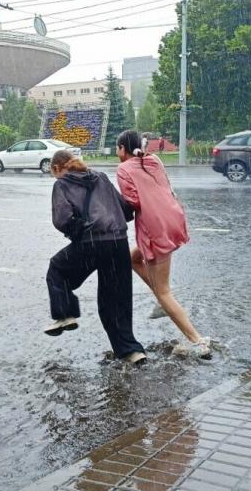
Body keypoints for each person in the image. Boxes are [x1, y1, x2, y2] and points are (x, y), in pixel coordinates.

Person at [45, 150, 147, 365]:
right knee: (116, 300)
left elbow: (62, 219)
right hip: (118, 243)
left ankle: (65, 315)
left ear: (57, 168)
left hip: (91, 243)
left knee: (57, 268)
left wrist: (77, 230)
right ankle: (132, 352)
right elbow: (126, 210)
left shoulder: (61, 184)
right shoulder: (100, 177)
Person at [116, 130, 211, 358]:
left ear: (122, 148)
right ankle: (161, 300)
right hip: (172, 218)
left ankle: (197, 342)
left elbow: (133, 203)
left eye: (117, 147)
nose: (116, 151)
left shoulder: (123, 169)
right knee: (132, 258)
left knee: (165, 290)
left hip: (154, 226)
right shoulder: (154, 159)